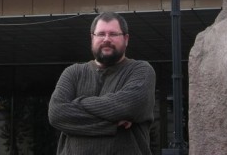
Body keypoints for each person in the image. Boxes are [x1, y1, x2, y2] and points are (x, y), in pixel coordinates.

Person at [48, 12, 156, 154]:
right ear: (92, 38)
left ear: (126, 39)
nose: (106, 39)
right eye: (101, 34)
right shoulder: (73, 73)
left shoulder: (140, 70)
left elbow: (130, 107)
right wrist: (112, 124)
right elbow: (57, 113)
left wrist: (76, 105)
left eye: (113, 34)